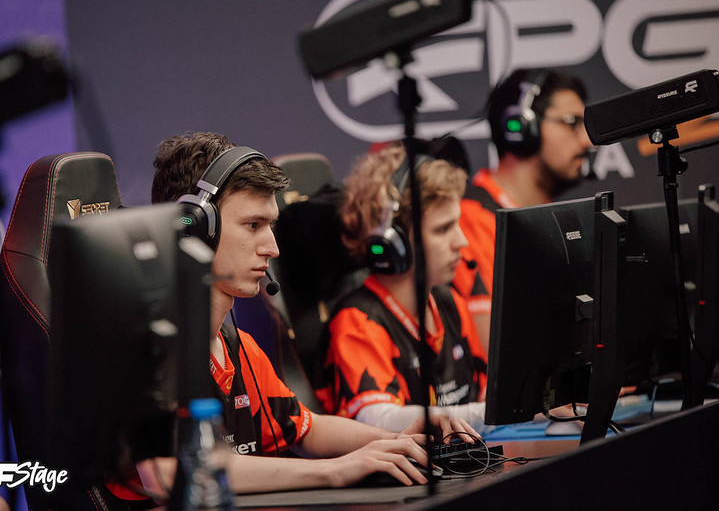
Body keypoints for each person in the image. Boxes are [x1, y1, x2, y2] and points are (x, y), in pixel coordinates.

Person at [134, 131, 479, 499]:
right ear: (194, 227)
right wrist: (335, 470)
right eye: (253, 225)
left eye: (270, 226)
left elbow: (307, 428)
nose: (272, 248)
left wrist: (400, 439)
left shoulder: (239, 348)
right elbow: (169, 472)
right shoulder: (144, 351)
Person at [315, 142, 490, 436]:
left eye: (457, 225)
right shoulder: (358, 321)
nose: (461, 241)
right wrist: (499, 414)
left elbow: (485, 393)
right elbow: (378, 418)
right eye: (443, 229)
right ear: (392, 241)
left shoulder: (449, 301)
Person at [453, 68, 593, 352]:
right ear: (521, 127)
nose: (586, 142)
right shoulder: (468, 217)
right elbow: (495, 351)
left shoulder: (557, 223)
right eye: (571, 123)